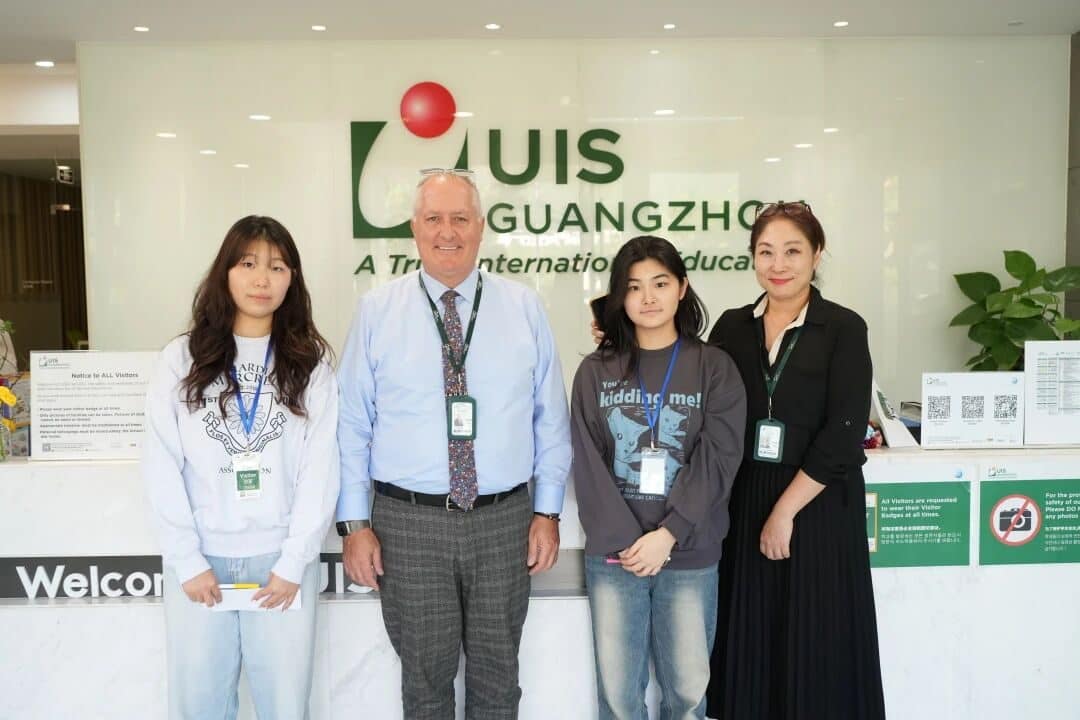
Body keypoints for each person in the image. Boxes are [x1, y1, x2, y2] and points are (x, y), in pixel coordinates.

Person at [336, 169, 572, 720]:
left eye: (460, 218)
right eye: (434, 218)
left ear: (481, 227)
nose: (448, 232)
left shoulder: (523, 307)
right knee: (424, 684)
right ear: (415, 228)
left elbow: (550, 419)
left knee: (498, 680)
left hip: (503, 521)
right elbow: (352, 425)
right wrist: (354, 524)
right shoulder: (377, 311)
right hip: (408, 524)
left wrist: (547, 511)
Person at [142, 215, 339, 720]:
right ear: (225, 272)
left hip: (280, 564)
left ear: (292, 279)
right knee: (199, 707)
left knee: (285, 707)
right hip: (201, 563)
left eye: (277, 266)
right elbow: (161, 464)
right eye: (248, 264)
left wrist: (293, 562)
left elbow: (320, 471)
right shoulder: (181, 359)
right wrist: (187, 560)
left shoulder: (310, 365)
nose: (261, 279)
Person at [705, 201, 886, 719]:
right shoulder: (732, 327)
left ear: (816, 255)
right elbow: (697, 393)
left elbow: (844, 433)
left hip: (817, 506)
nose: (778, 264)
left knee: (817, 647)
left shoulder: (843, 328)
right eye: (766, 252)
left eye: (792, 251)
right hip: (746, 504)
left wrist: (784, 512)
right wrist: (620, 338)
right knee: (753, 647)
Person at [571, 235, 746, 720]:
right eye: (633, 287)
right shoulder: (595, 371)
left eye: (660, 283)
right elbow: (587, 463)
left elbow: (719, 457)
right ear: (619, 297)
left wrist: (669, 533)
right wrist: (631, 543)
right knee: (619, 699)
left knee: (687, 698)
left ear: (682, 288)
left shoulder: (714, 367)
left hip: (689, 552)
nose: (647, 297)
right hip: (617, 557)